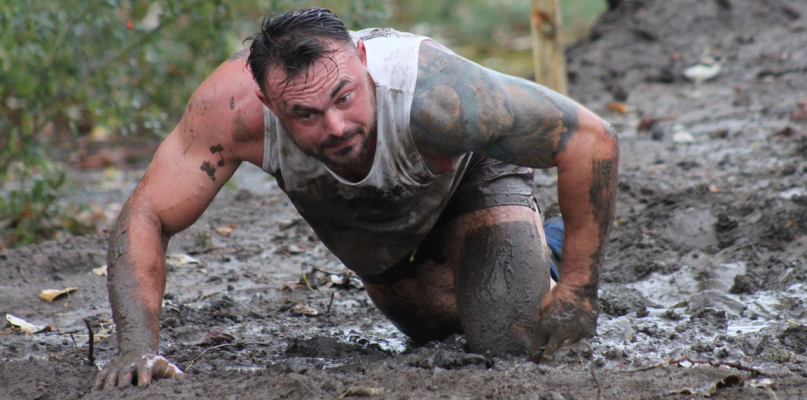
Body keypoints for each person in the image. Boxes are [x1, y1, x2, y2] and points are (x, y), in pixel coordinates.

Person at [94, 8, 618, 390]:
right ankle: (508, 255)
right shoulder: (229, 112)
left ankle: (540, 246)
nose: (337, 126)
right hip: (368, 217)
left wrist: (577, 289)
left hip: (463, 175)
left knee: (510, 338)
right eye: (306, 114)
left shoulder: (440, 95)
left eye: (344, 97)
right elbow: (147, 212)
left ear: (364, 61)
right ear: (267, 104)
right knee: (433, 328)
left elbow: (591, 140)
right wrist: (137, 347)